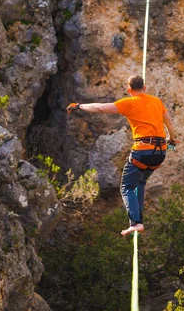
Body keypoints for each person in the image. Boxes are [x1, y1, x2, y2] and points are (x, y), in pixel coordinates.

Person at [67, 75, 177, 236]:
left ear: (129, 90)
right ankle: (138, 220)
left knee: (126, 187)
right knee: (140, 182)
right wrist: (171, 140)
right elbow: (169, 122)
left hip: (142, 151)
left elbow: (100, 108)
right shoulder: (156, 101)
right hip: (160, 152)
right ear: (144, 88)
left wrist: (79, 106)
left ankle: (136, 223)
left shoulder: (128, 103)